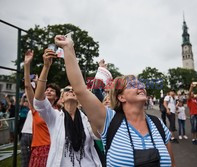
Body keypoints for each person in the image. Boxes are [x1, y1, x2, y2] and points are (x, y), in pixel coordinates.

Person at [54, 34, 175, 166]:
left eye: (140, 83)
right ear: (121, 97)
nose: (140, 86)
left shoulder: (158, 124)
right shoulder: (109, 120)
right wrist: (68, 47)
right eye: (132, 85)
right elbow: (80, 89)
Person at [33, 48, 101, 167]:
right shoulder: (55, 117)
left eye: (73, 90)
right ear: (61, 99)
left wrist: (90, 109)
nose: (71, 91)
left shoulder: (86, 120)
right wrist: (46, 67)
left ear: (79, 100)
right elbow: (39, 100)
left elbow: (97, 135)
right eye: (67, 90)